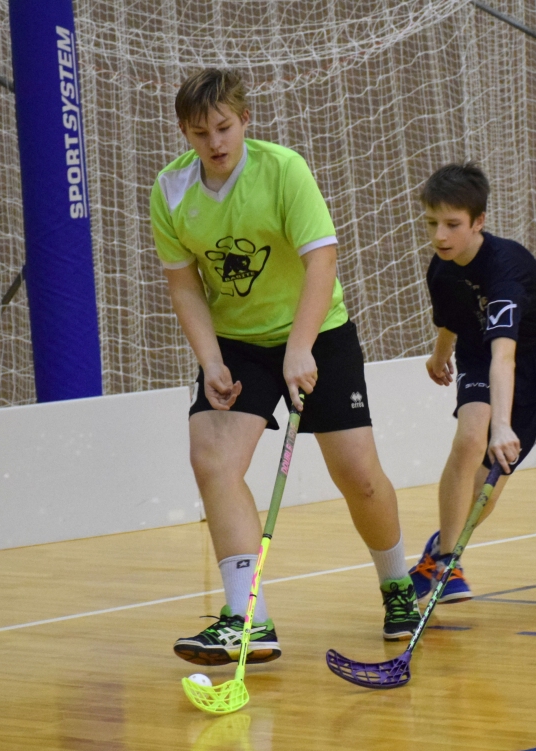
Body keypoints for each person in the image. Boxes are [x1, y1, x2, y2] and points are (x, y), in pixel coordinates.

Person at [150, 69, 420, 666]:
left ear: (244, 120)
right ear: (184, 134)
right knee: (212, 458)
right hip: (238, 343)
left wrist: (301, 346)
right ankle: (248, 618)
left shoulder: (282, 169)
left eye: (224, 127)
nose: (215, 143)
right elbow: (184, 284)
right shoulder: (171, 189)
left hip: (317, 329)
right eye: (200, 133)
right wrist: (210, 360)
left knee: (358, 474)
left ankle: (398, 585)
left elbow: (321, 260)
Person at [410, 162, 536, 602]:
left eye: (452, 225)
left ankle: (438, 550)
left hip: (533, 365)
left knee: (488, 486)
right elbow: (452, 319)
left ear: (479, 222)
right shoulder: (441, 269)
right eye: (432, 223)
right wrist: (439, 357)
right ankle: (446, 562)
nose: (440, 236)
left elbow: (507, 355)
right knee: (469, 437)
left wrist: (504, 426)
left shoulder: (506, 269)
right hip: (479, 352)